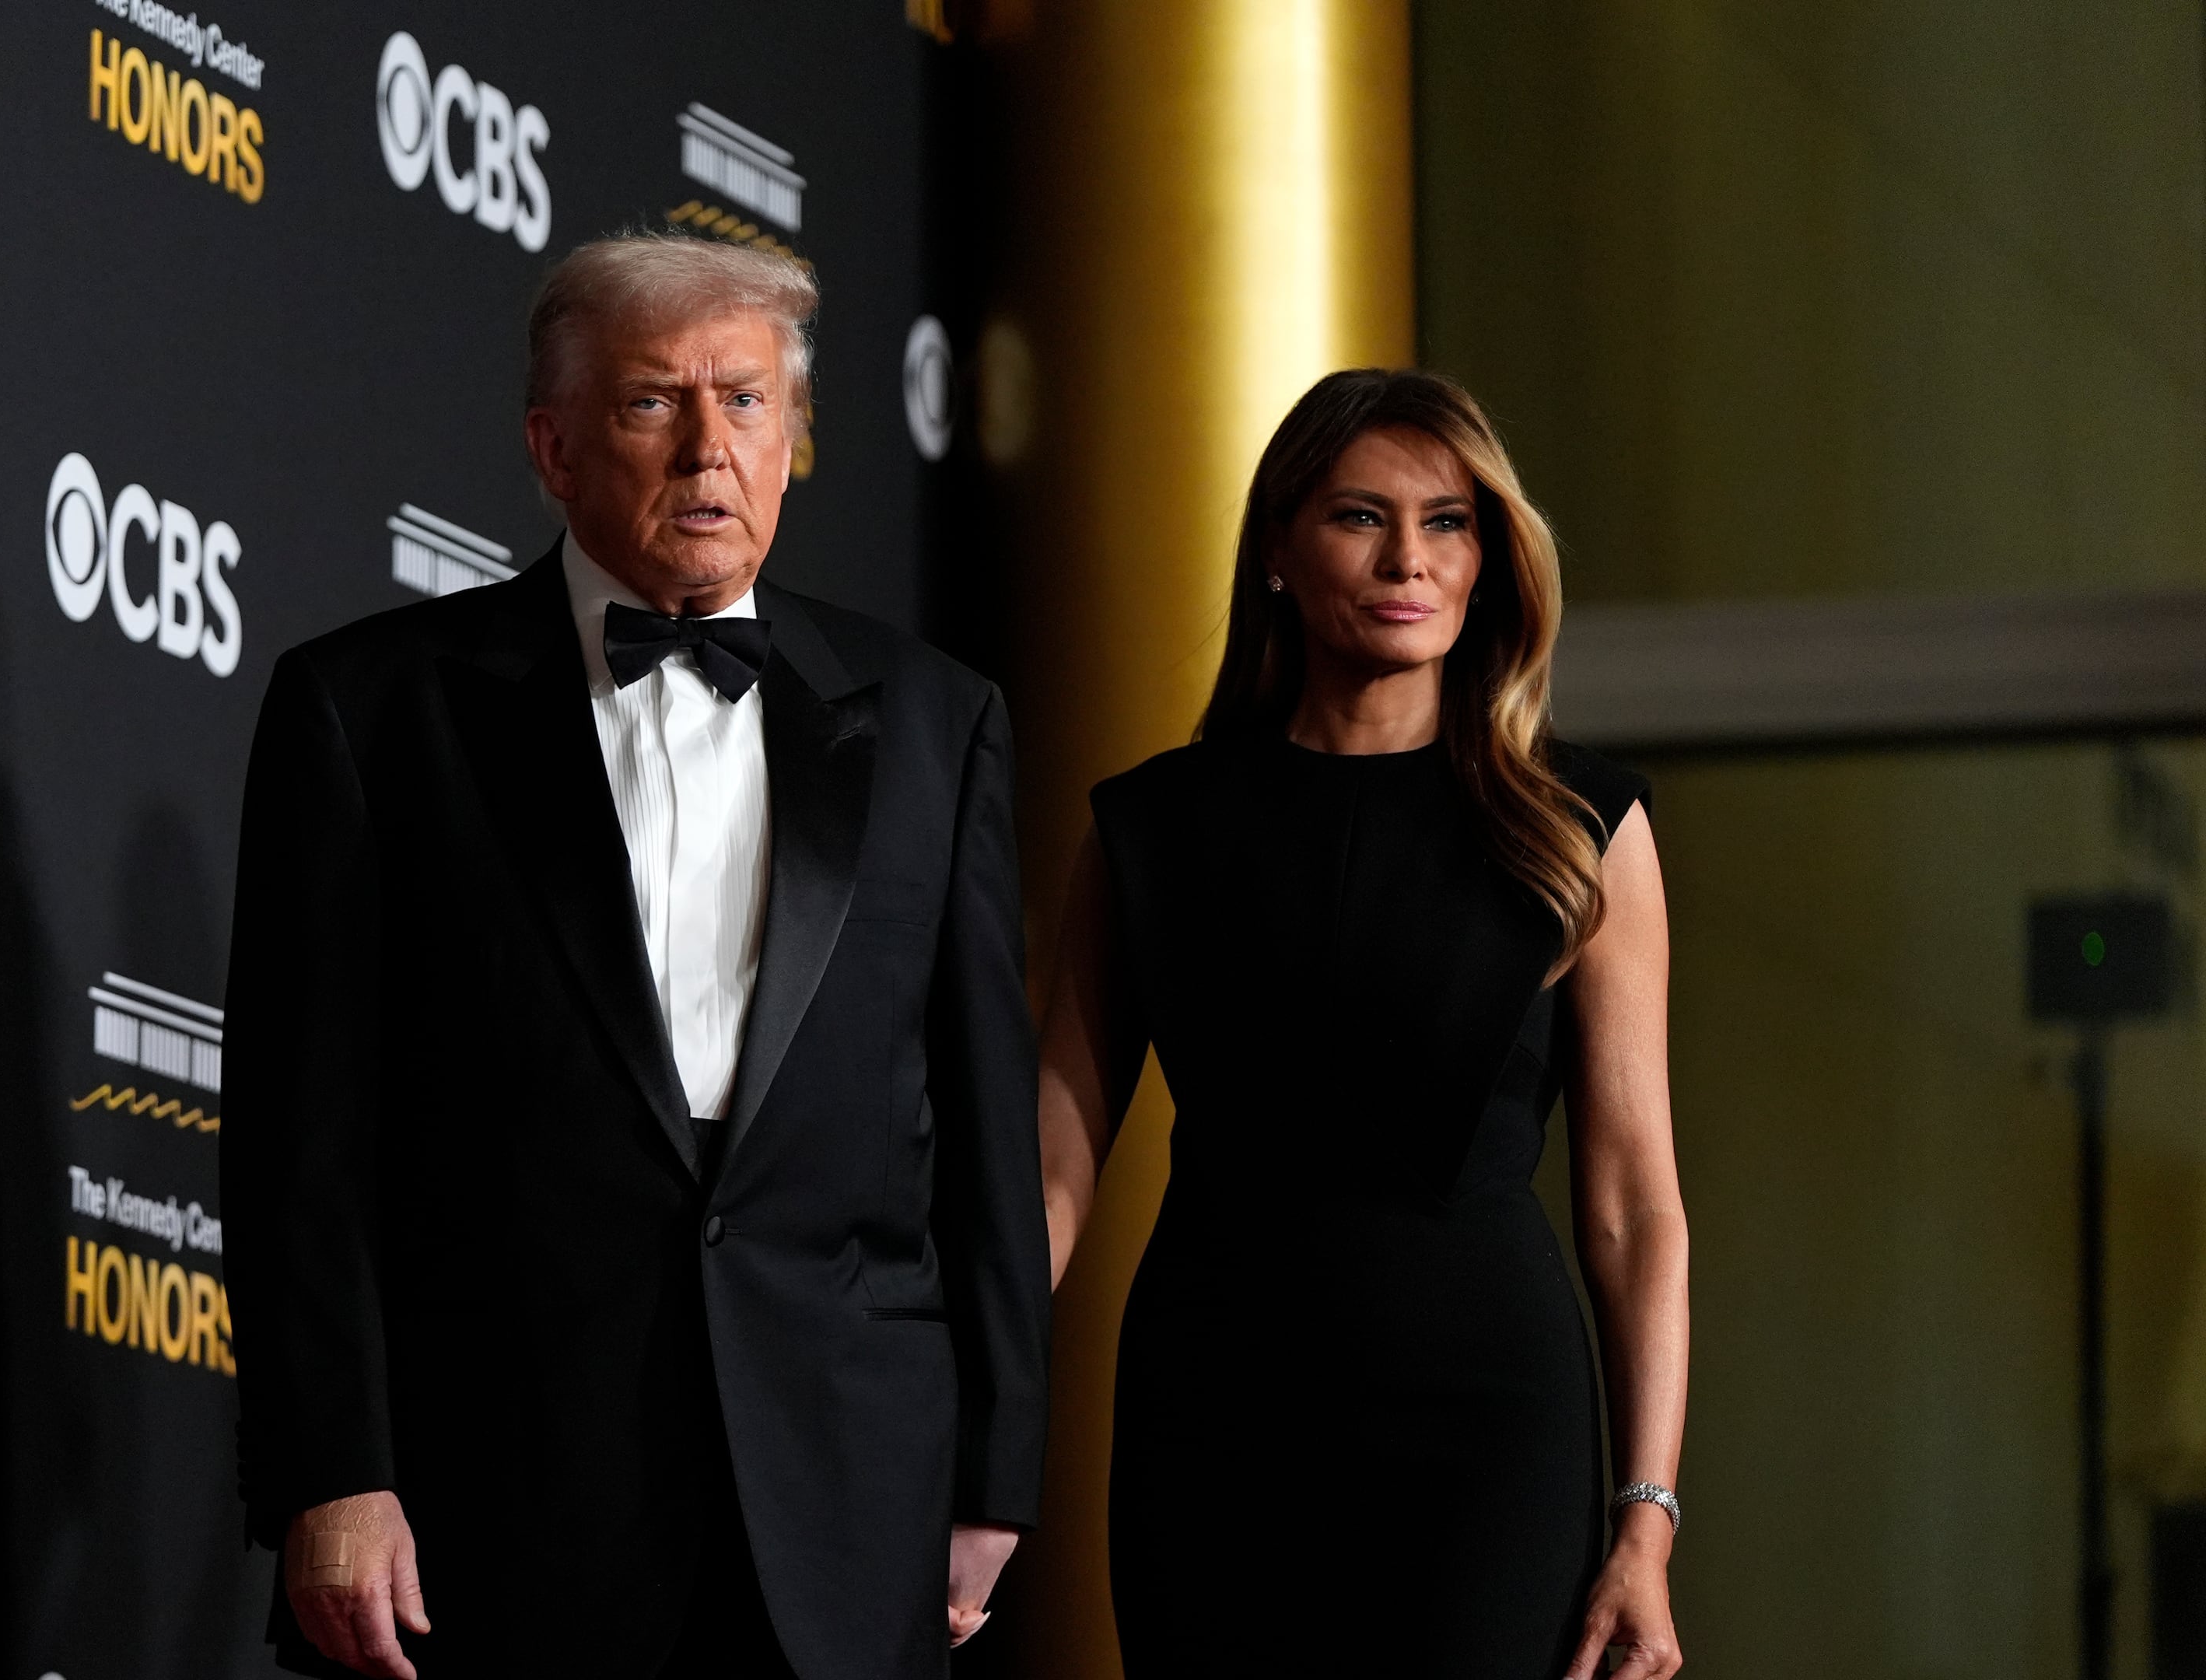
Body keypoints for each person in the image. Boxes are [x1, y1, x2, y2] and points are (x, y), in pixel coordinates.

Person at [222, 231, 1050, 1680]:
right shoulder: (372, 713)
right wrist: (330, 1471)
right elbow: (301, 1143)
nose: (707, 451)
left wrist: (995, 1473)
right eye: (652, 404)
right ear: (552, 447)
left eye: (746, 403)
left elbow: (988, 1128)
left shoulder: (937, 720)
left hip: (850, 1480)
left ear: (794, 441)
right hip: (499, 1487)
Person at [1035, 369, 1690, 1678]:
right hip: (1211, 1419)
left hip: (1490, 1429)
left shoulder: (1580, 830)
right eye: (1360, 518)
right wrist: (951, 1422)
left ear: (1489, 559)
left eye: (1449, 522)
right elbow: (1050, 1168)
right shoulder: (1152, 829)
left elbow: (1632, 1202)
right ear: (1277, 549)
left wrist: (1647, 1524)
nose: (1412, 559)